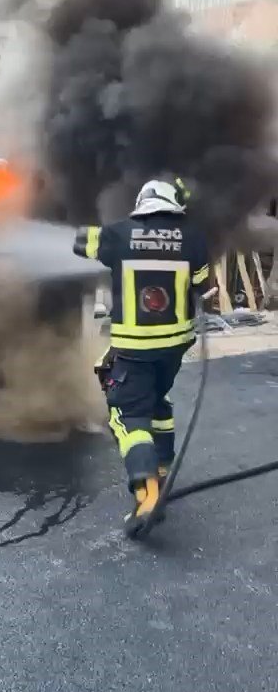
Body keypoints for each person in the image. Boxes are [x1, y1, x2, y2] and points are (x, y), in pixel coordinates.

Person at [73, 179, 210, 536]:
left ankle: (146, 493)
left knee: (127, 413)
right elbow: (202, 279)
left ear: (141, 203)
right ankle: (162, 469)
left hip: (135, 350)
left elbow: (80, 243)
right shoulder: (192, 236)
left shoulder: (118, 234)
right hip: (175, 347)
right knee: (157, 402)